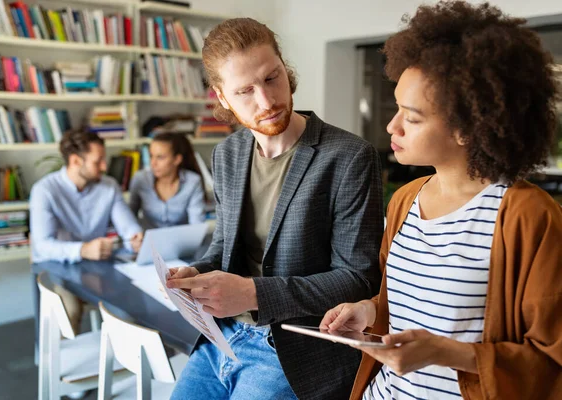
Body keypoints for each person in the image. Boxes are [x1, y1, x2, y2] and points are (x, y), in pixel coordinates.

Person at [320, 2, 562, 399]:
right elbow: (403, 304)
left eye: (411, 117)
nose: (391, 126)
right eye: (396, 107)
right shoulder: (405, 200)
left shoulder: (528, 217)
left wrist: (448, 353)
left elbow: (551, 360)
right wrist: (368, 311)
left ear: (468, 129)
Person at [165, 18, 384, 400]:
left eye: (272, 78)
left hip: (293, 351)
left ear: (286, 68)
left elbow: (357, 279)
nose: (266, 101)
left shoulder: (349, 157)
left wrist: (253, 295)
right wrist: (195, 273)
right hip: (223, 337)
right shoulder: (227, 155)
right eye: (245, 90)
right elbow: (225, 248)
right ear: (222, 97)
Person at [30, 129, 143, 332]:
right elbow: (42, 246)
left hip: (99, 268)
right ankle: (64, 361)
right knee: (69, 310)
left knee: (134, 301)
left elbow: (128, 228)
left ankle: (122, 361)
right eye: (97, 161)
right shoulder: (44, 190)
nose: (105, 166)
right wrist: (83, 250)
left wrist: (135, 237)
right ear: (75, 161)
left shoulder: (109, 186)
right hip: (58, 268)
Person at [129, 132, 206, 229]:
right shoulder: (140, 179)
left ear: (177, 159)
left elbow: (197, 225)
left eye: (160, 157)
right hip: (150, 241)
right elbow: (129, 219)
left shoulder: (192, 182)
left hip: (182, 241)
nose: (153, 163)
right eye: (151, 156)